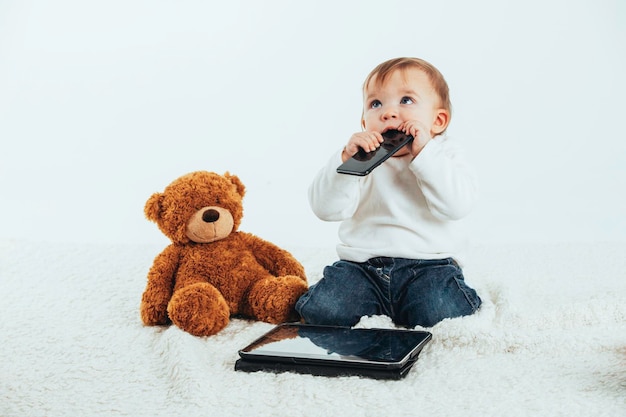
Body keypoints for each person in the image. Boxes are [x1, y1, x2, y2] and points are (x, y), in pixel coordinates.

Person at [296, 57, 482, 328]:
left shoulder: (444, 154)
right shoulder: (361, 159)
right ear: (364, 122)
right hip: (362, 267)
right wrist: (346, 160)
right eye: (375, 104)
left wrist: (424, 153)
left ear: (438, 120)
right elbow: (326, 209)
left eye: (406, 100)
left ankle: (419, 303)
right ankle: (385, 305)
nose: (388, 113)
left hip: (430, 266)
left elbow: (457, 206)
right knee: (325, 311)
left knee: (440, 312)